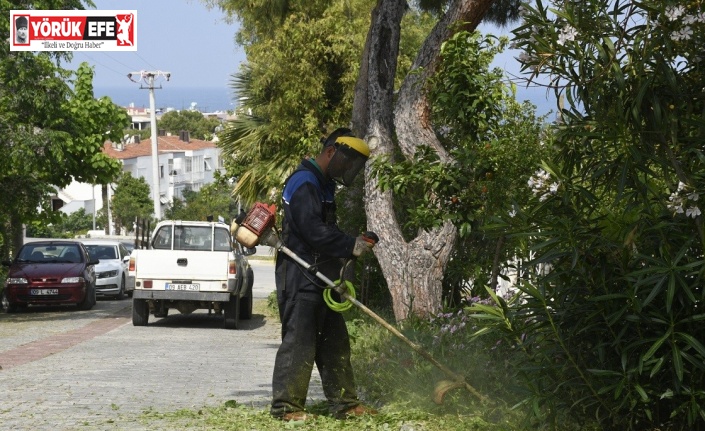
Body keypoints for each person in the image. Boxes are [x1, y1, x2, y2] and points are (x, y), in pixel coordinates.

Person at [271, 127, 377, 421]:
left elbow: (325, 231)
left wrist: (347, 249)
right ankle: (286, 408)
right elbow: (313, 232)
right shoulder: (305, 182)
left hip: (321, 277)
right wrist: (350, 245)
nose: (347, 170)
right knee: (300, 342)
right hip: (300, 275)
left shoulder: (323, 184)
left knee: (334, 342)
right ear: (331, 152)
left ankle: (345, 404)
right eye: (346, 163)